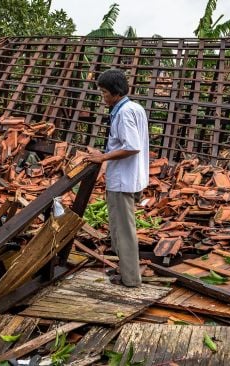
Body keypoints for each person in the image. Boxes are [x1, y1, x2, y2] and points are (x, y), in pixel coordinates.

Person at [85, 69, 149, 287]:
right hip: (131, 177)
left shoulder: (123, 113)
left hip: (123, 180)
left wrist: (102, 157)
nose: (103, 97)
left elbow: (132, 147)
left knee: (123, 230)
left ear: (115, 92)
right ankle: (125, 272)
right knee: (121, 228)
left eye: (104, 92)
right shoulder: (135, 108)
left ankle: (130, 278)